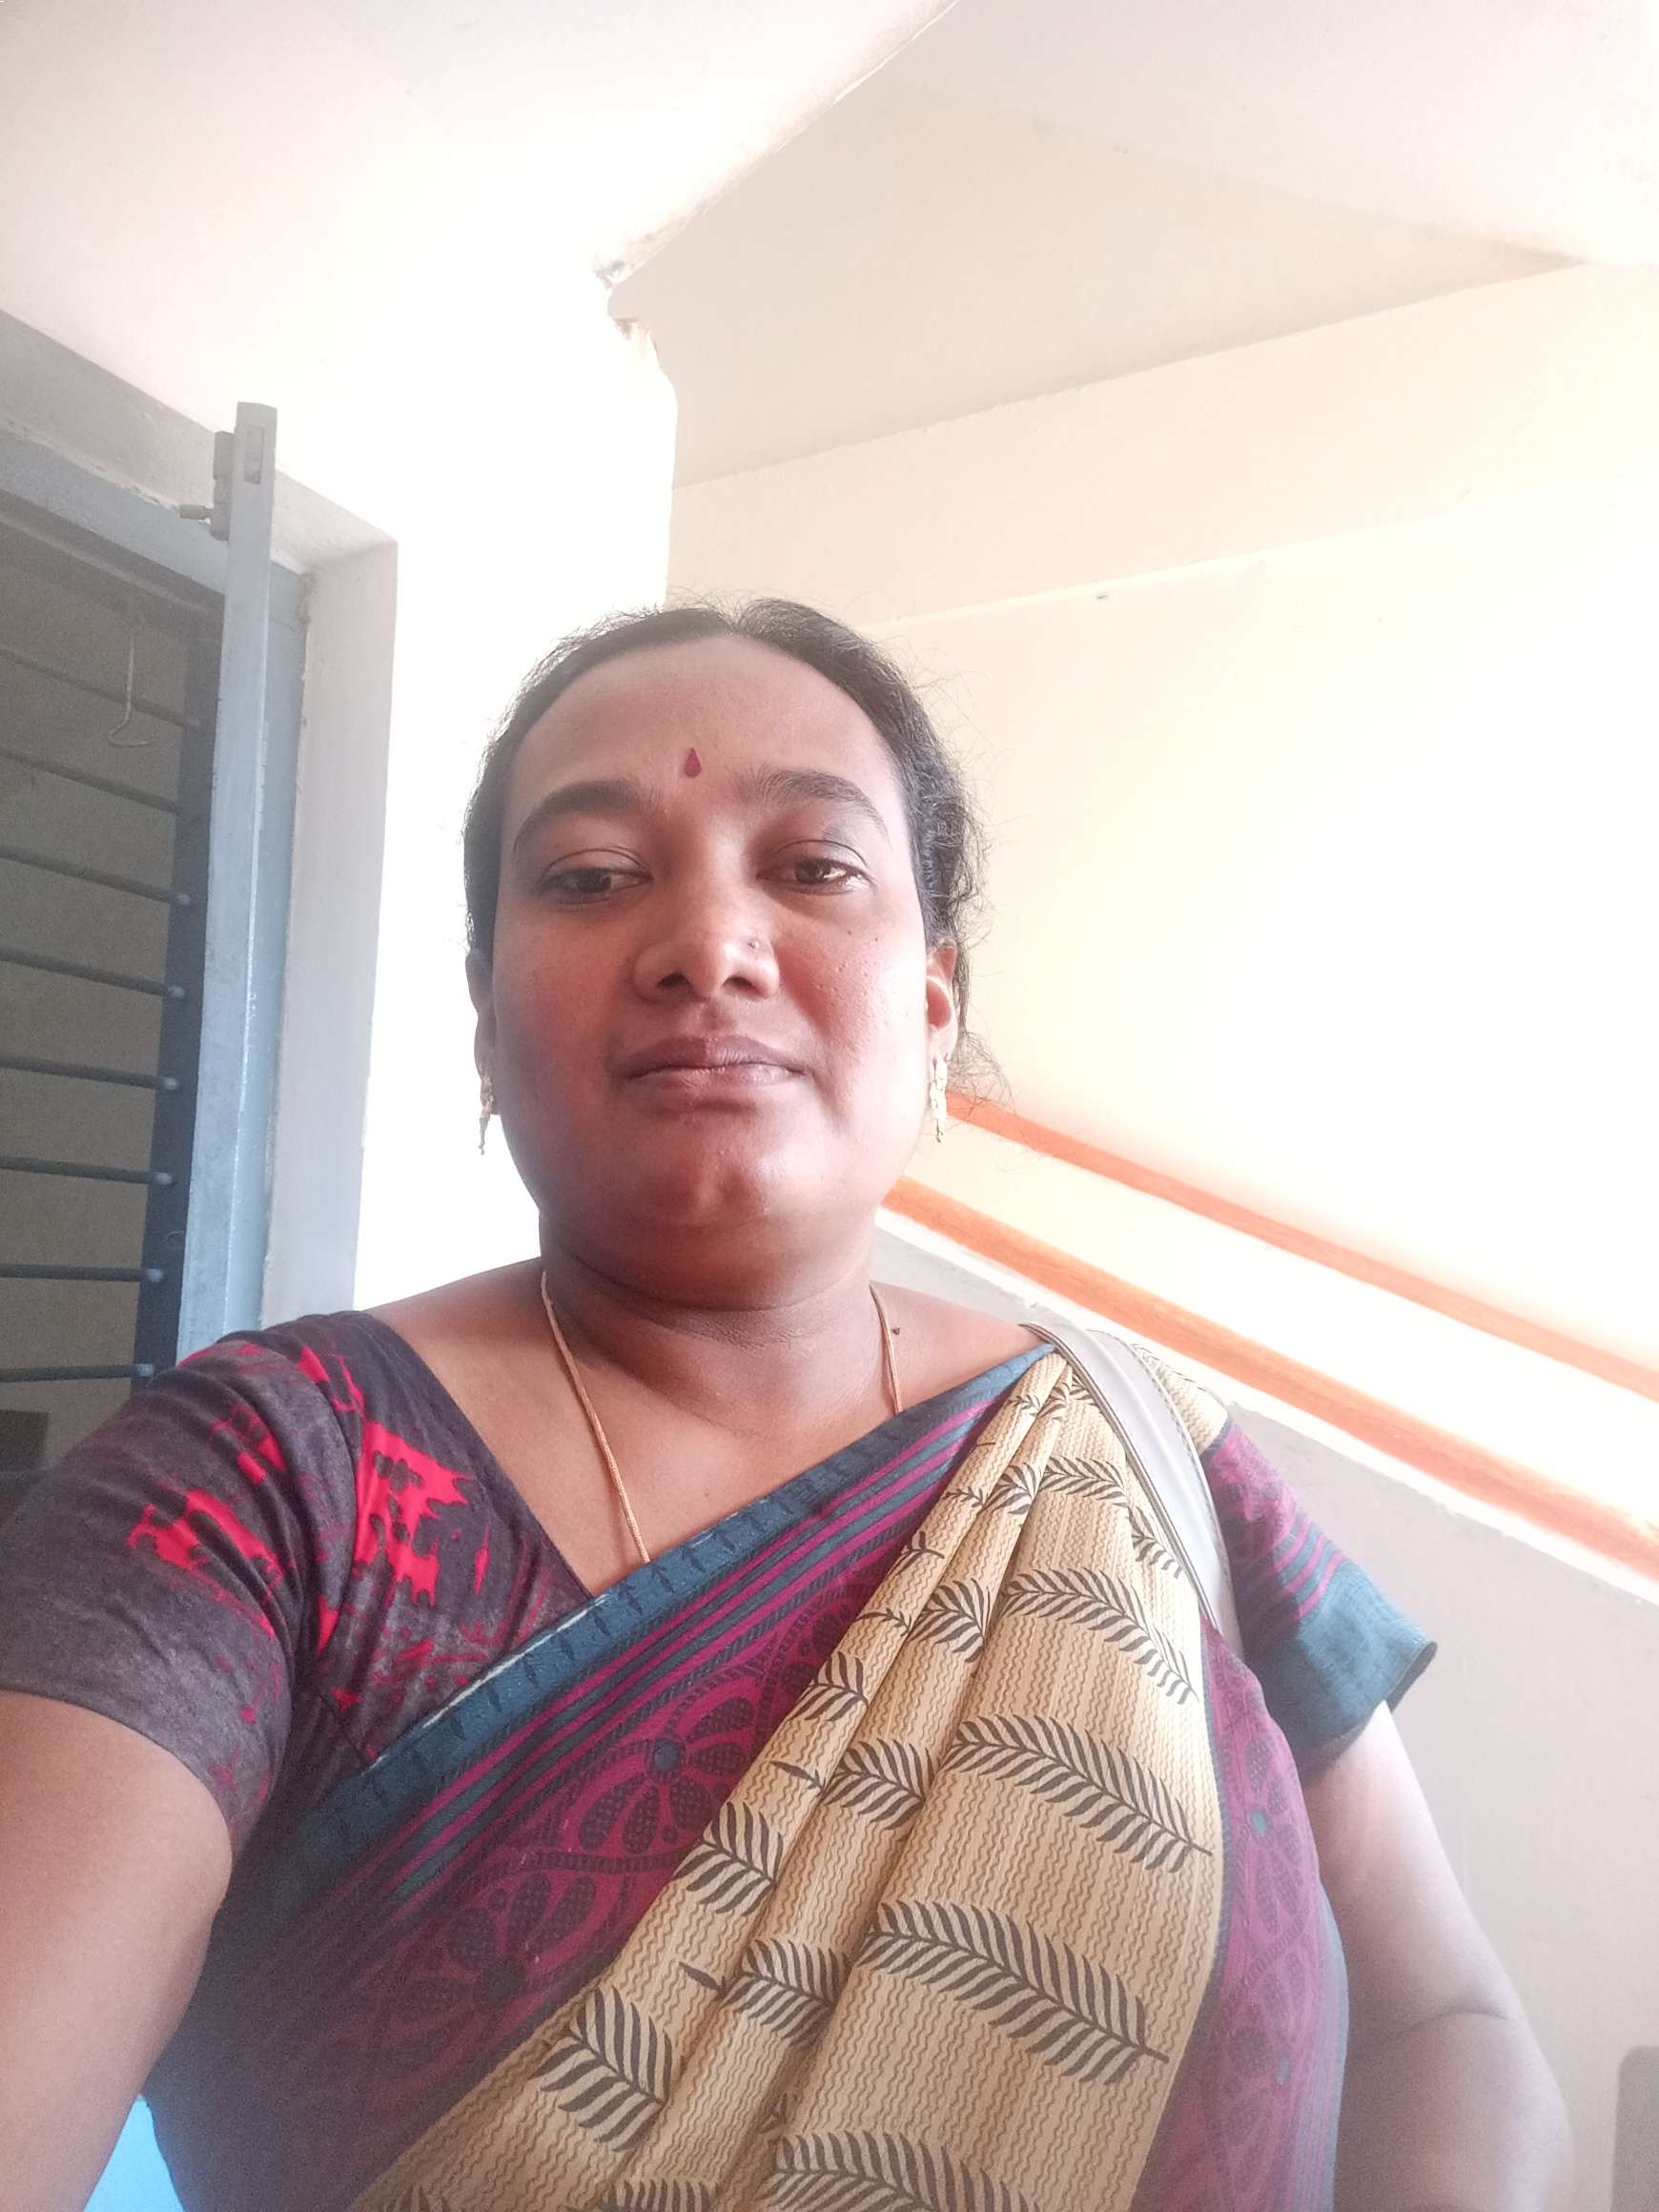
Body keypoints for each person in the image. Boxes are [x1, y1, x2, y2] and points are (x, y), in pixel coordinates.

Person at [0, 602, 1566, 2212]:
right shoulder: (261, 1490)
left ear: (935, 1007)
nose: (710, 947)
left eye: (814, 867)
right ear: (485, 1014)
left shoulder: (1150, 1449)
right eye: (590, 878)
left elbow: (1447, 2018)